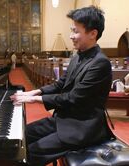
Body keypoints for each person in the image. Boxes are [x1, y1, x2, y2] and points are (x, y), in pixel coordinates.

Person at [10, 6, 115, 166]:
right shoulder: (77, 56)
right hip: (64, 120)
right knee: (19, 137)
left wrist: (33, 100)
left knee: (28, 153)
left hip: (82, 127)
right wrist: (32, 93)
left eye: (75, 31)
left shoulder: (100, 63)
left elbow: (73, 98)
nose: (71, 36)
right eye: (71, 30)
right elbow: (60, 85)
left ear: (93, 34)